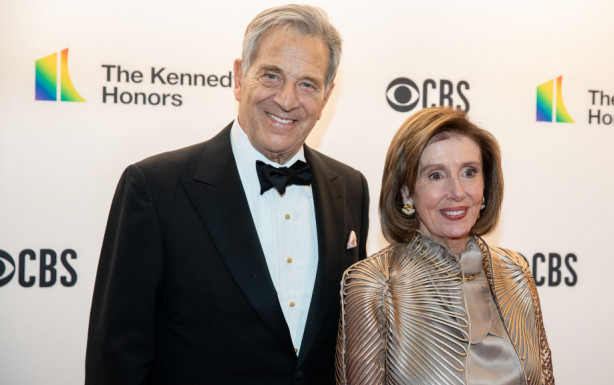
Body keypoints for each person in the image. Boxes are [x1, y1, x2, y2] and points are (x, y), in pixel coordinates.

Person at [85, 5, 369, 385]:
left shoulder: (350, 188)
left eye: (307, 84)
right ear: (239, 77)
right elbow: (117, 360)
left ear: (326, 95)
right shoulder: (154, 189)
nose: (287, 99)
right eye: (271, 75)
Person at [335, 107, 554, 385]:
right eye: (436, 175)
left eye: (469, 172)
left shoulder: (515, 272)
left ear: (485, 183)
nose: (457, 192)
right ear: (406, 191)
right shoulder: (375, 284)